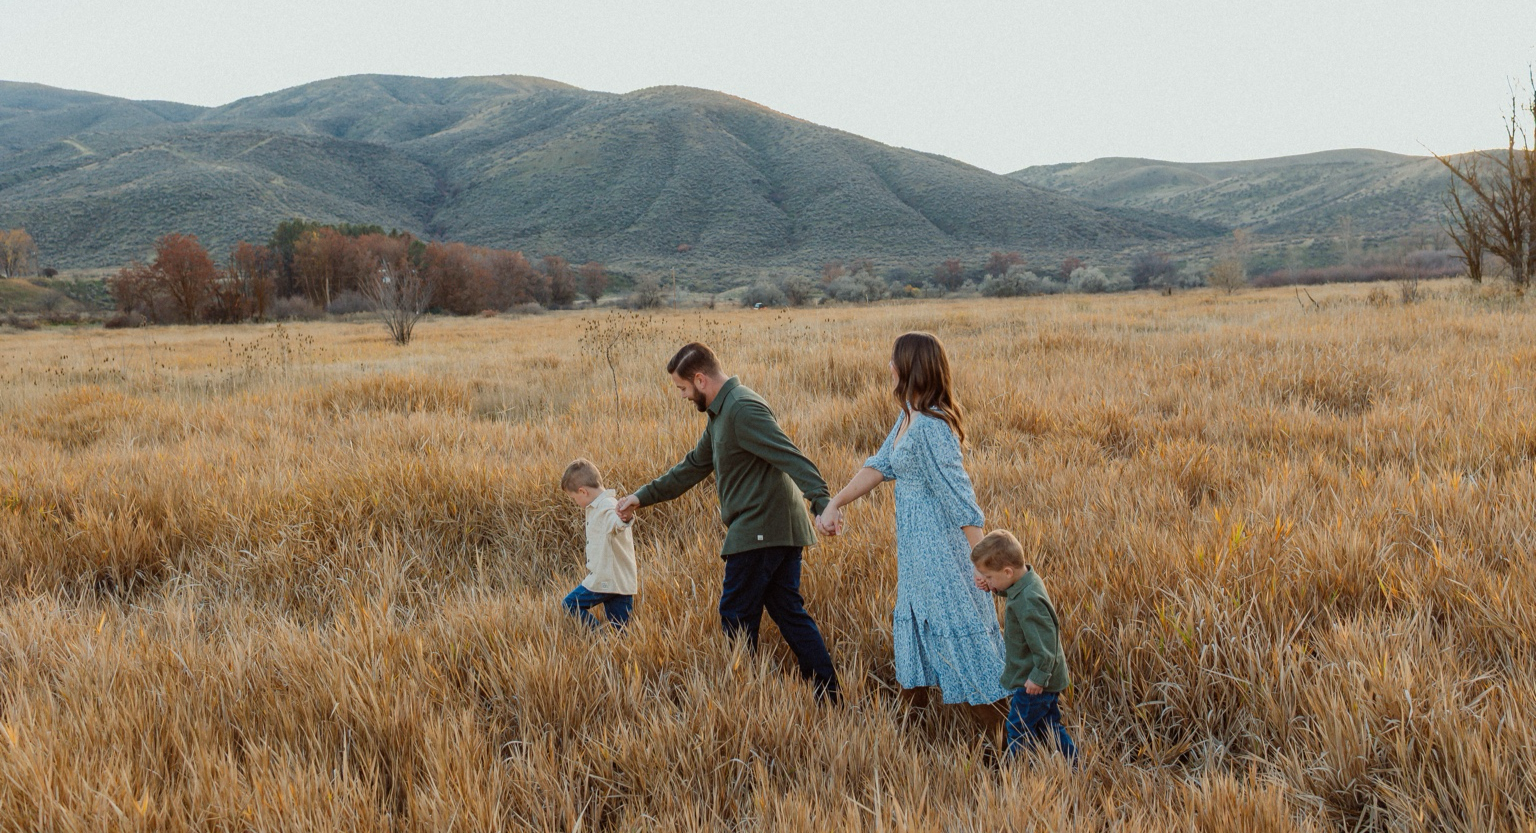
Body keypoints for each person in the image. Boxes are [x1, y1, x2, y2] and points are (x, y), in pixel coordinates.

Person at [616, 342, 840, 701]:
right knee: (788, 613)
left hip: (761, 529)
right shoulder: (722, 413)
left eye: (683, 388)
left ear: (700, 379)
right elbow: (693, 465)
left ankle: (745, 699)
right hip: (775, 529)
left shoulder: (741, 408)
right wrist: (641, 496)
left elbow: (791, 455)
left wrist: (822, 502)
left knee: (735, 616)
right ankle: (828, 696)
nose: (683, 396)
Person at [816, 332, 1009, 729]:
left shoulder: (932, 427)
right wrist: (835, 503)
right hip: (916, 558)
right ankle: (912, 733)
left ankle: (1010, 743)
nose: (889, 367)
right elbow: (880, 464)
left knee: (966, 647)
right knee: (915, 636)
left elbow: (962, 500)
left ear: (911, 368)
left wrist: (985, 564)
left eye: (894, 360)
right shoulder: (909, 416)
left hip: (942, 556)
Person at [970, 530, 1077, 761]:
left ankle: (1020, 772)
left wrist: (1038, 677)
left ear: (1007, 571)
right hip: (1042, 679)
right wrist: (993, 588)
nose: (986, 581)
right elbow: (1012, 590)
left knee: (1017, 728)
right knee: (1049, 726)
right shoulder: (1026, 581)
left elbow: (1046, 644)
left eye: (989, 577)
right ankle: (1073, 764)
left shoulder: (1029, 603)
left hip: (1035, 683)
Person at [560, 458, 637, 630]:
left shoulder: (607, 507)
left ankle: (599, 638)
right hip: (621, 582)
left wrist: (626, 517)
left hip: (605, 579)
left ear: (583, 491)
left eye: (574, 498)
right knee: (620, 632)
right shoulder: (604, 504)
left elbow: (616, 523)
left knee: (570, 604)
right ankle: (613, 650)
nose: (575, 503)